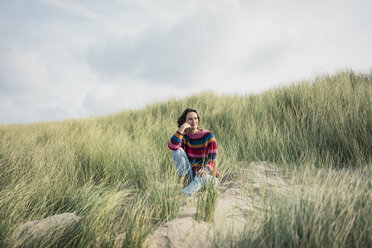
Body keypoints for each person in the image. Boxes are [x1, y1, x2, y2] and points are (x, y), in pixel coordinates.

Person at [168, 108, 219, 196]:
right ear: (185, 121)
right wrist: (182, 128)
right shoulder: (184, 137)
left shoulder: (208, 135)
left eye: (195, 118)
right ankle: (186, 185)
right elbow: (173, 146)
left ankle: (183, 193)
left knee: (204, 178)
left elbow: (213, 159)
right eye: (190, 119)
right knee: (176, 151)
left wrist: (206, 169)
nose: (194, 121)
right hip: (191, 176)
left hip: (207, 176)